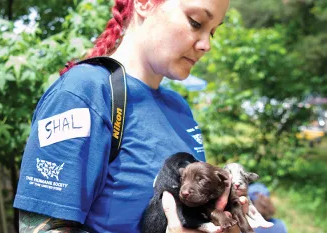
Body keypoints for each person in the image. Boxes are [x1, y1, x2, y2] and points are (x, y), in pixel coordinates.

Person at [13, 0, 249, 232]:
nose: (206, 44)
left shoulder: (178, 107)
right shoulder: (84, 93)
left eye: (213, 32)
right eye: (196, 22)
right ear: (144, 3)